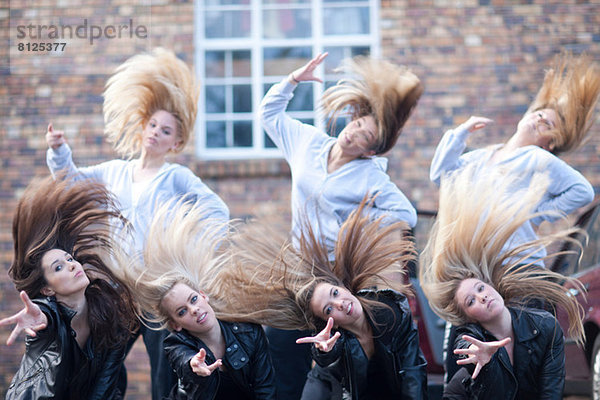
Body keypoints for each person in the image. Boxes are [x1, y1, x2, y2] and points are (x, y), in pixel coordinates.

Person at [44, 48, 230, 399]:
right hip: (117, 292)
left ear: (176, 142)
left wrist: (189, 250)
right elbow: (70, 180)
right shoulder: (114, 172)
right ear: (144, 126)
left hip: (158, 294)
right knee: (105, 367)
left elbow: (217, 211)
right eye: (154, 125)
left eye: (166, 131)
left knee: (166, 369)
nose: (156, 133)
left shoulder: (177, 176)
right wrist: (58, 150)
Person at [428, 51, 599, 384]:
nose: (539, 121)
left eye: (548, 124)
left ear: (551, 141)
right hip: (478, 270)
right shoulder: (481, 157)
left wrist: (533, 212)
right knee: (464, 359)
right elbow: (442, 175)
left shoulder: (538, 159)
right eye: (539, 114)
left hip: (520, 272)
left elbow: (583, 192)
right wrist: (460, 133)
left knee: (523, 357)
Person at [260, 51, 423, 398]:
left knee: (332, 355)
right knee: (280, 340)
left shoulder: (370, 177)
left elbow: (405, 214)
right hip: (300, 267)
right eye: (357, 126)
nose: (353, 135)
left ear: (370, 151)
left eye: (365, 137)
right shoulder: (308, 143)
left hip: (336, 274)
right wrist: (291, 81)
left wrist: (359, 224)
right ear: (351, 118)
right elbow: (269, 115)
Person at [211, 199, 428, 399]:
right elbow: (327, 360)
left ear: (342, 286)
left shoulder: (393, 309)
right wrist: (324, 354)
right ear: (327, 322)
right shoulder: (333, 342)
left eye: (335, 293)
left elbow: (413, 372)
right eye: (328, 310)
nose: (340, 304)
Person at [419, 165, 586, 400]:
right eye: (471, 301)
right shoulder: (469, 336)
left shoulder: (545, 326)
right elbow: (464, 344)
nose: (482, 296)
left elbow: (551, 391)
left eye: (480, 289)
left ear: (491, 285)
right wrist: (483, 362)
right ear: (470, 317)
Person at [113, 200, 277, 399]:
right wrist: (194, 368)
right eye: (182, 311)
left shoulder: (249, 332)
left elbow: (265, 390)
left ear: (204, 296)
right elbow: (184, 360)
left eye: (193, 299)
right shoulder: (176, 345)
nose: (194, 310)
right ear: (176, 324)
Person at [0, 176, 138, 399]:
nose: (72, 265)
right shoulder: (45, 319)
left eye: (70, 259)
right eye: (58, 267)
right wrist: (41, 322)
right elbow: (47, 316)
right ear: (48, 290)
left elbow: (104, 387)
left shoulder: (111, 320)